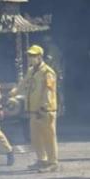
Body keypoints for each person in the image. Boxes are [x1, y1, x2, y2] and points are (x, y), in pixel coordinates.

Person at [20, 44, 58, 172]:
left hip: (45, 111)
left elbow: (49, 91)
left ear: (40, 56)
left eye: (34, 55)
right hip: (33, 111)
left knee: (49, 137)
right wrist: (12, 93)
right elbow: (23, 84)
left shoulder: (48, 72)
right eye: (30, 55)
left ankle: (53, 162)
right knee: (36, 137)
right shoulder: (31, 71)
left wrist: (44, 107)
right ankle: (42, 159)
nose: (31, 58)